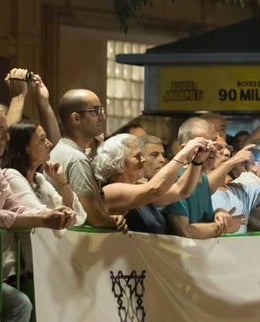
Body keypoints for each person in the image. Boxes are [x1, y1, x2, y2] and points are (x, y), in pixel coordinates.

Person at [1, 111, 75, 322]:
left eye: (6, 131)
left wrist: (49, 215)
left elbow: (16, 208)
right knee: (19, 304)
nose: (5, 137)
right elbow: (12, 216)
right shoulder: (9, 173)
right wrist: (44, 217)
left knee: (20, 305)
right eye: (1, 131)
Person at [1, 120, 85, 280]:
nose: (49, 143)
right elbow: (41, 216)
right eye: (41, 140)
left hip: (48, 262)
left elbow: (78, 216)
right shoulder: (11, 174)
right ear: (25, 147)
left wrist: (61, 181)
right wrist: (61, 216)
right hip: (22, 272)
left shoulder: (39, 179)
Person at [93, 134, 214, 234]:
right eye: (137, 156)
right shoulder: (111, 190)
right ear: (118, 164)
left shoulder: (138, 185)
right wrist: (182, 154)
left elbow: (181, 190)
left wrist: (197, 161)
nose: (144, 160)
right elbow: (155, 189)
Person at [50, 89, 124, 230]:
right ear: (76, 118)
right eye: (95, 111)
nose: (102, 117)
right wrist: (115, 222)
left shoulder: (62, 149)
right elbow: (91, 217)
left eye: (102, 110)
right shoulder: (76, 158)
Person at [158, 117, 241, 239]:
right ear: (185, 148)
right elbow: (185, 231)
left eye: (213, 141)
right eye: (204, 143)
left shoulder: (203, 180)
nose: (212, 149)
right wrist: (222, 227)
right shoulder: (175, 179)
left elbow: (203, 220)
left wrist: (218, 214)